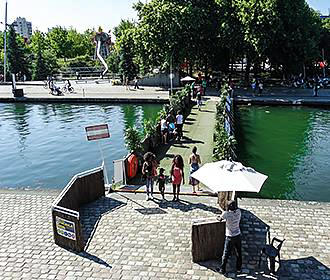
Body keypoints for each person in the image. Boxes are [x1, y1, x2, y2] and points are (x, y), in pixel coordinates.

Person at [217, 200, 242, 275]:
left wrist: (221, 214)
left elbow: (220, 219)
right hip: (238, 235)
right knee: (239, 252)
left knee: (226, 254)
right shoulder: (238, 212)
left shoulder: (226, 214)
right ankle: (238, 268)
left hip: (230, 236)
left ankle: (223, 269)